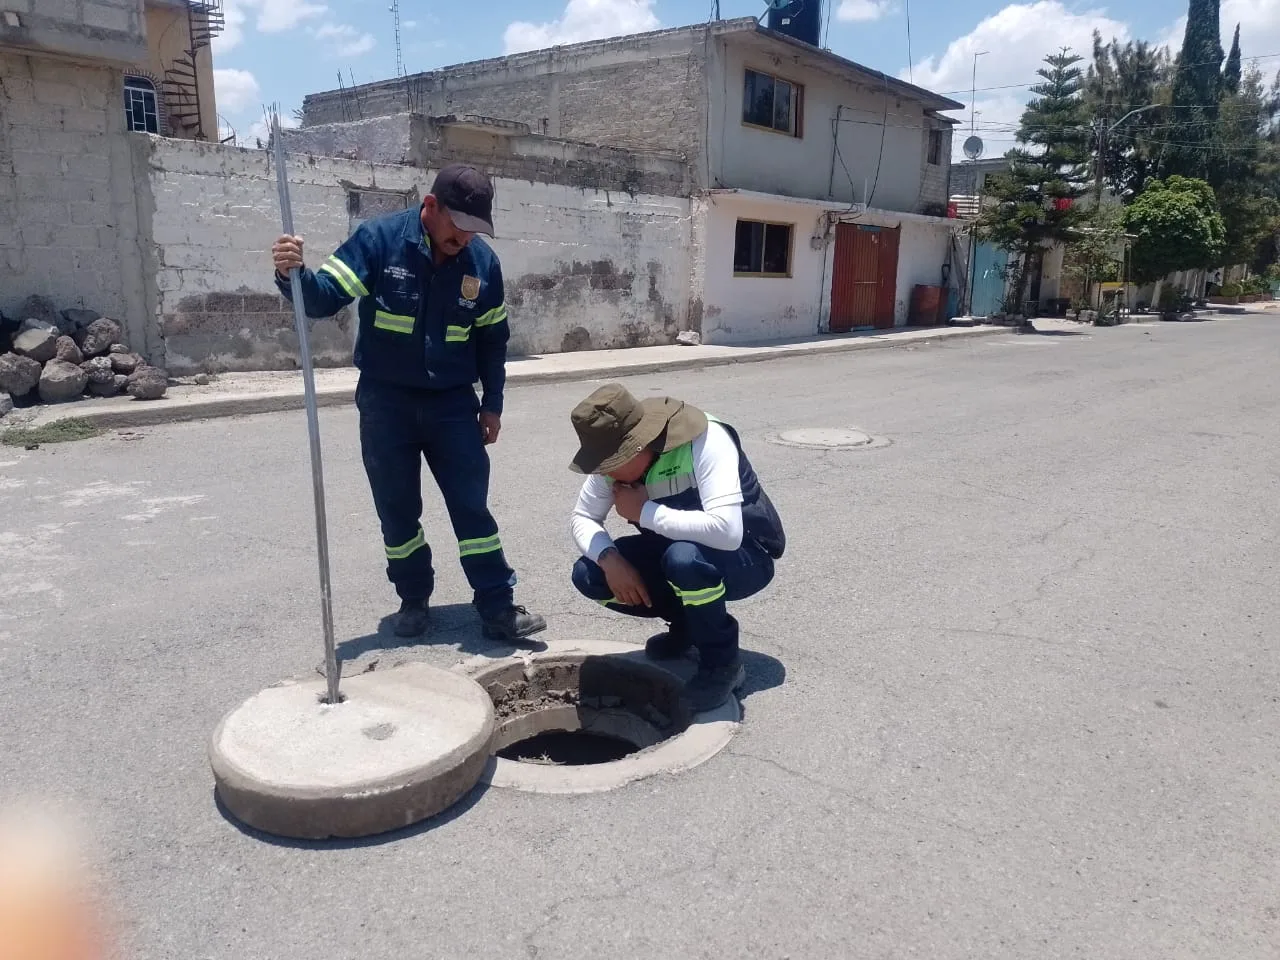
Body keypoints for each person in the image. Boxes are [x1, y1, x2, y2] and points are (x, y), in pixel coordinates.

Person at [270, 164, 545, 644]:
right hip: (387, 404)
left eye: (475, 229)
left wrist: (493, 403)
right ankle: (413, 598)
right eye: (457, 225)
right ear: (430, 206)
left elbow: (492, 341)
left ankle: (497, 606)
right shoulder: (378, 241)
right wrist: (290, 272)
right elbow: (320, 300)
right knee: (397, 512)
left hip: (453, 406)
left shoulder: (482, 265)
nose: (465, 238)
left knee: (472, 510)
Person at [567, 384, 785, 711]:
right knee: (589, 574)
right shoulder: (610, 464)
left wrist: (645, 512)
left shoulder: (705, 440)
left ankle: (722, 663)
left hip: (746, 556)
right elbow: (583, 516)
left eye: (612, 462)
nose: (605, 472)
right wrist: (610, 559)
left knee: (683, 559)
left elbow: (727, 531)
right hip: (676, 550)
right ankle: (688, 627)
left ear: (636, 444)